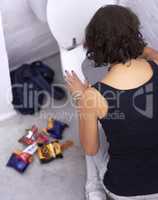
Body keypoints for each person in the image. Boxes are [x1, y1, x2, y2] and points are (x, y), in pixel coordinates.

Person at [65, 5, 158, 200]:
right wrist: (126, 44)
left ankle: (94, 190)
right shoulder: (156, 63)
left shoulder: (93, 96)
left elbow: (90, 149)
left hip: (125, 191)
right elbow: (149, 52)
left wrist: (81, 98)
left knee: (92, 133)